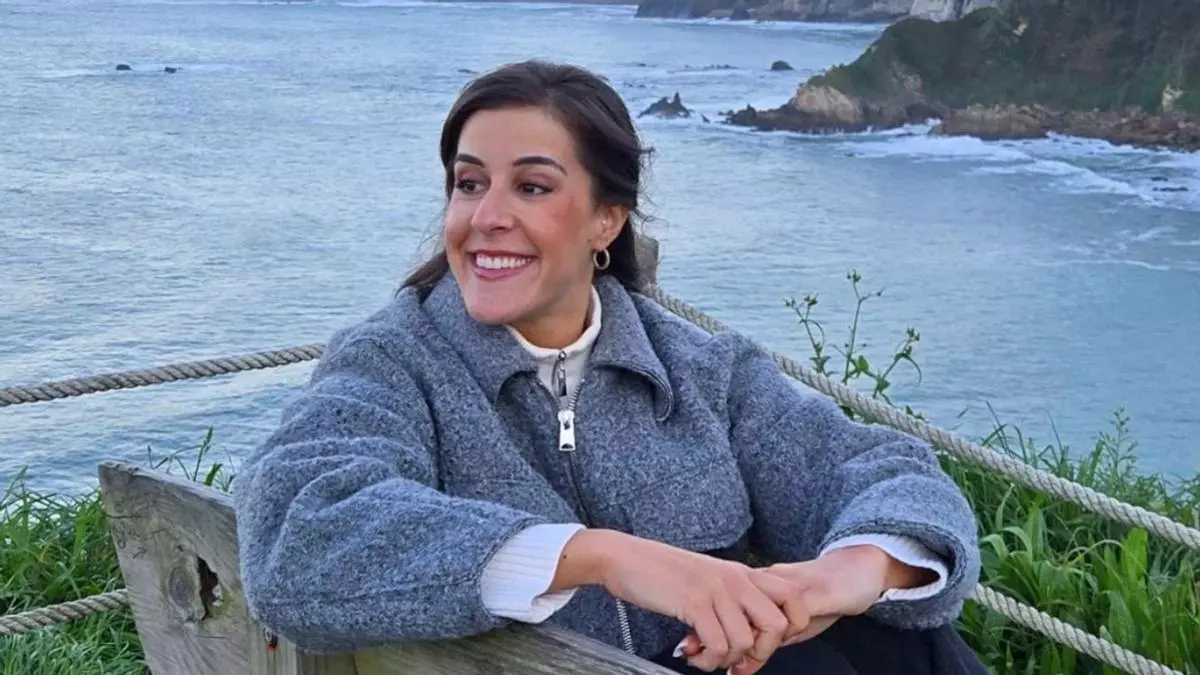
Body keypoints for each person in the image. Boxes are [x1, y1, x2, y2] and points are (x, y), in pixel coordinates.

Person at [232, 59, 987, 675]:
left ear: (606, 219)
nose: (486, 216)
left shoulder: (698, 367)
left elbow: (885, 471)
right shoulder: (392, 361)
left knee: (903, 641)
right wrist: (599, 558)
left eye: (532, 187)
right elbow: (295, 533)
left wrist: (849, 572)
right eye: (469, 183)